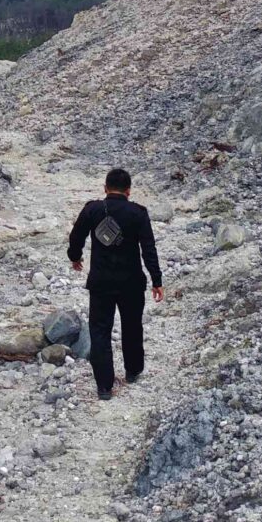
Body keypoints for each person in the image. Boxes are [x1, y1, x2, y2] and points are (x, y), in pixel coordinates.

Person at [67, 167, 163, 400]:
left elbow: (76, 236)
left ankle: (104, 386)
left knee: (100, 332)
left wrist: (75, 256)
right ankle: (133, 370)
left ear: (105, 188)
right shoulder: (138, 213)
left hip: (101, 282)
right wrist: (156, 280)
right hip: (131, 282)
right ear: (129, 191)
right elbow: (148, 249)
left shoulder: (92, 209)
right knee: (132, 326)